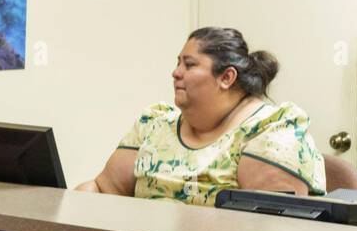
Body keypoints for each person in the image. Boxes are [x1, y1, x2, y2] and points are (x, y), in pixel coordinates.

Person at [77, 27, 326, 204]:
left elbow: (268, 228)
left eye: (189, 64)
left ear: (226, 77)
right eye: (178, 63)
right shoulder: (156, 124)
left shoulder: (269, 130)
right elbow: (102, 189)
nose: (175, 73)